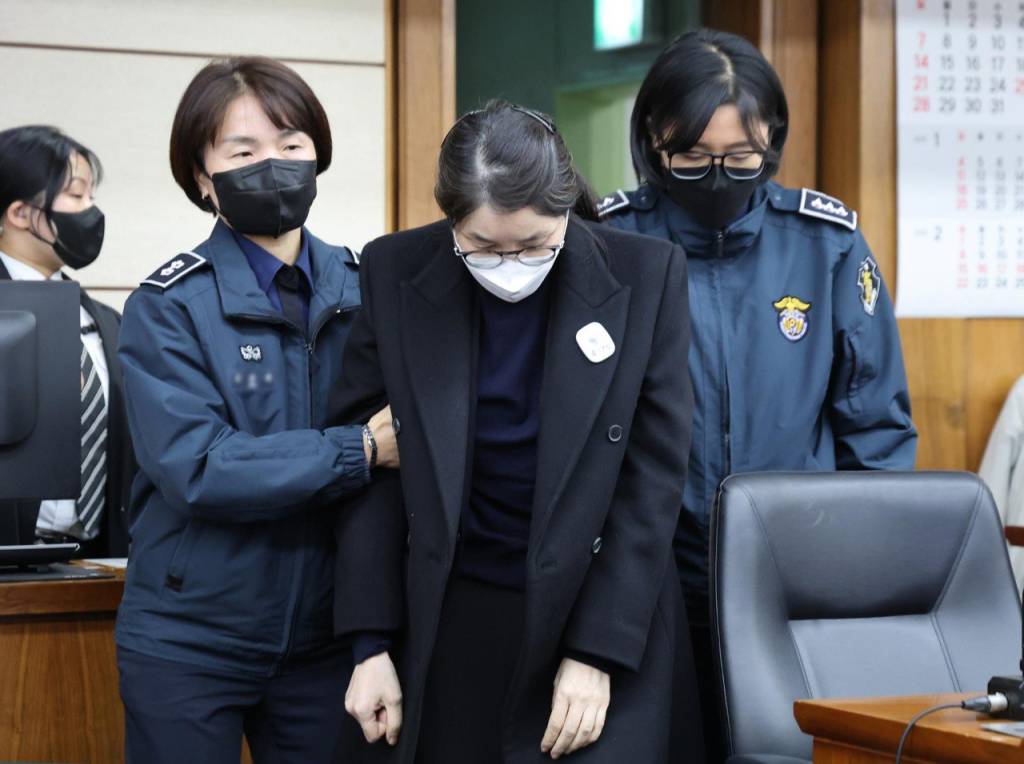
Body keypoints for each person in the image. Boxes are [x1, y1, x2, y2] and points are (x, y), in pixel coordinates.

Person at [330, 101, 704, 763]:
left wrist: (597, 651)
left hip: (598, 602)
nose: (510, 265)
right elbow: (373, 472)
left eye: (534, 246)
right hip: (452, 607)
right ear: (451, 222)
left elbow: (652, 481)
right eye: (482, 247)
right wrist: (370, 642)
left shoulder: (644, 274)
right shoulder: (395, 271)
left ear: (565, 212)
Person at [599, 29, 918, 761]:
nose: (717, 177)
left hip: (798, 579)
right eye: (692, 157)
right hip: (649, 577)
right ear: (652, 138)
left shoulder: (826, 244)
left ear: (773, 138)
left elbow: (876, 428)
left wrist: (860, 576)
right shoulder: (612, 242)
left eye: (740, 158)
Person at [115, 57, 397, 763]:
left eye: (291, 144)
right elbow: (200, 466)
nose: (273, 165)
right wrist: (358, 450)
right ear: (202, 178)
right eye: (243, 153)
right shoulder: (167, 307)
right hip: (188, 640)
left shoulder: (369, 291)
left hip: (328, 644)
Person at [0, 125, 133, 558]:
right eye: (76, 195)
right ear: (20, 213)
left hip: (95, 560)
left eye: (92, 195)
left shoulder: (107, 323)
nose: (91, 210)